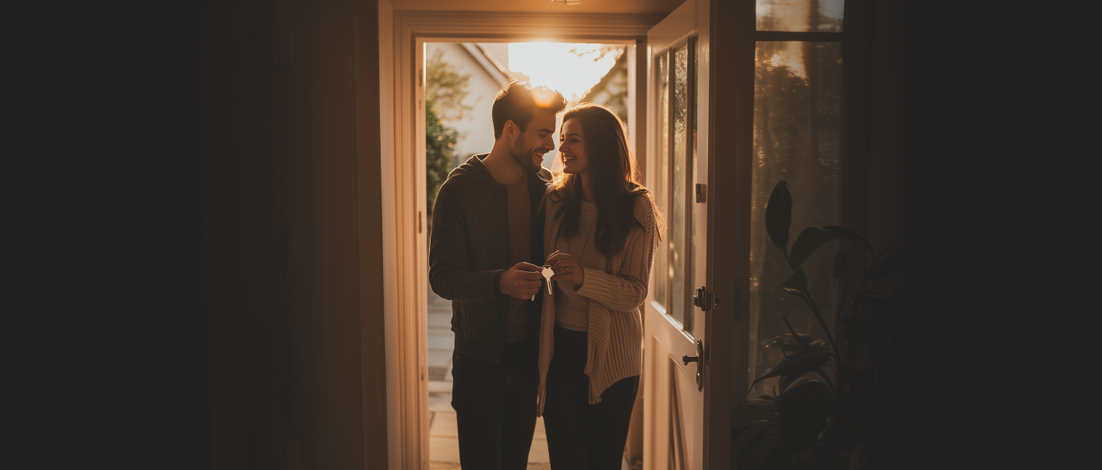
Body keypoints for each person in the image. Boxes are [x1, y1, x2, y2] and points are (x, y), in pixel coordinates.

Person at [428, 80, 566, 470]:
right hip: (478, 362)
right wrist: (498, 282)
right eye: (542, 133)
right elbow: (442, 277)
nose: (551, 145)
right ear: (510, 130)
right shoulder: (458, 191)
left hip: (529, 358)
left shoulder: (547, 190)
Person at [536, 103, 663, 469]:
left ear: (602, 145)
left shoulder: (637, 207)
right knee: (566, 461)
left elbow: (636, 292)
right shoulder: (556, 199)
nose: (562, 148)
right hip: (560, 354)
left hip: (614, 359)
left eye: (572, 139)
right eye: (562, 139)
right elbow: (547, 276)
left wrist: (582, 277)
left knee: (602, 462)